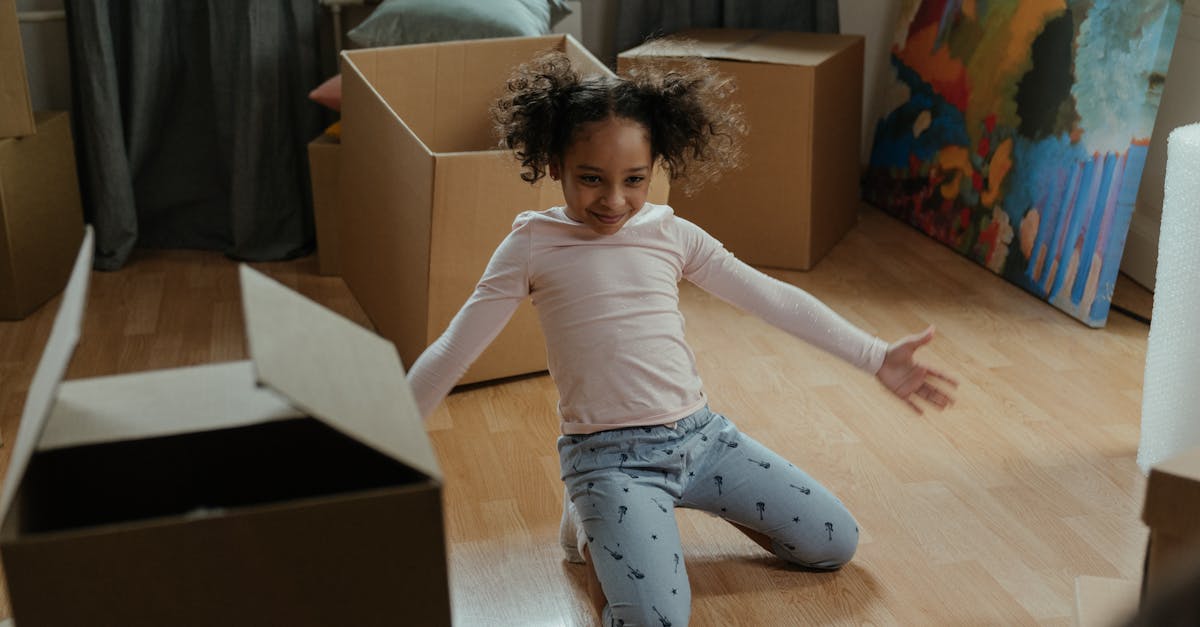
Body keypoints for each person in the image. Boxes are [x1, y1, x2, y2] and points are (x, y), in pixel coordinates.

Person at [408, 47, 957, 626]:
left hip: (703, 438)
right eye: (591, 179)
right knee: (654, 621)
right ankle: (594, 516)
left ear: (656, 166)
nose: (614, 200)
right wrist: (385, 436)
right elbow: (453, 349)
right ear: (553, 165)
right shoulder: (532, 246)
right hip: (607, 459)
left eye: (634, 179)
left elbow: (772, 298)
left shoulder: (672, 233)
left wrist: (875, 357)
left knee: (833, 542)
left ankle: (641, 518)